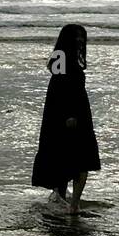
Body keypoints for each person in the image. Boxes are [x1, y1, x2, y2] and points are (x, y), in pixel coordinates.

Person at [31, 23, 101, 212]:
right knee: (81, 158)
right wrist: (70, 114)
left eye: (81, 37)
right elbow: (63, 88)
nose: (80, 41)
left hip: (64, 112)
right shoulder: (65, 60)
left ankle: (63, 198)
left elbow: (59, 86)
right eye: (76, 37)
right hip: (73, 112)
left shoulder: (60, 58)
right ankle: (73, 205)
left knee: (64, 155)